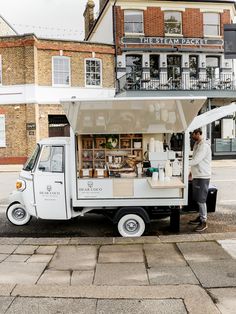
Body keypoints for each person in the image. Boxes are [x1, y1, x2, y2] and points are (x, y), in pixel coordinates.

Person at [188, 128, 212, 232]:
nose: (192, 136)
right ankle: (200, 217)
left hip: (203, 176)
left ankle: (204, 222)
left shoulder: (204, 146)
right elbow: (194, 159)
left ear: (198, 133)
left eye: (193, 134)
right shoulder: (196, 144)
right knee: (198, 198)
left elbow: (197, 160)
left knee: (201, 200)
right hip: (197, 175)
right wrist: (190, 172)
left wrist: (184, 163)